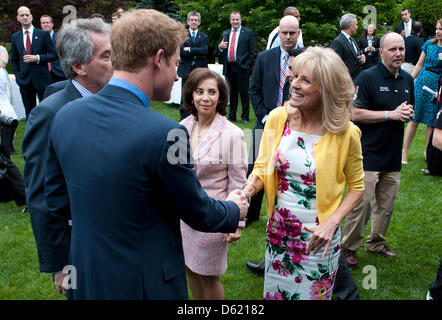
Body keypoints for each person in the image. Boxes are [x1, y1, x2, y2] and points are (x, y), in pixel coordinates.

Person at [43, 9, 248, 300]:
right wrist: (234, 208)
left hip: (86, 276)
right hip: (144, 285)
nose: (178, 75)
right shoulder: (170, 133)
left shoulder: (65, 116)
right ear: (159, 58)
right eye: (176, 64)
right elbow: (197, 210)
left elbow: (56, 203)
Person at [241, 46, 364, 300]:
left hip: (318, 239)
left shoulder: (346, 133)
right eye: (294, 75)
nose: (293, 84)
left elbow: (357, 187)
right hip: (278, 232)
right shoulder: (278, 118)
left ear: (326, 89)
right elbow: (263, 166)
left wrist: (332, 222)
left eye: (305, 80)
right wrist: (246, 192)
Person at [22, 18, 113, 276]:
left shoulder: (116, 102)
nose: (117, 63)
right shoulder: (50, 114)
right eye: (107, 56)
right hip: (79, 248)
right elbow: (41, 196)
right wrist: (60, 265)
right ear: (78, 66)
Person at [341, 32, 415, 267]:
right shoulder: (367, 77)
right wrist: (389, 115)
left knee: (387, 204)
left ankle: (376, 243)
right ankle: (347, 248)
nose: (398, 53)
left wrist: (406, 115)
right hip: (368, 153)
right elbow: (354, 113)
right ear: (381, 51)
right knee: (362, 204)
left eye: (401, 49)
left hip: (392, 154)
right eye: (393, 49)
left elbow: (406, 110)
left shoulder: (407, 79)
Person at [179, 68, 248, 299]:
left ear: (220, 97)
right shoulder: (182, 127)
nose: (205, 98)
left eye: (212, 92)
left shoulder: (233, 134)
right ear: (191, 95)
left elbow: (238, 183)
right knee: (189, 270)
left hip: (214, 216)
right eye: (199, 92)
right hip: (183, 217)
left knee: (209, 276)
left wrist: (236, 222)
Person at [246, 16, 301, 230]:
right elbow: (254, 89)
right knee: (255, 166)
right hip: (266, 121)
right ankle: (250, 213)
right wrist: (264, 116)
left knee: (288, 167)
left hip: (296, 124)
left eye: (292, 33)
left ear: (298, 33)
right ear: (278, 33)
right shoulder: (264, 57)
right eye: (284, 33)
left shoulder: (305, 58)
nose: (288, 37)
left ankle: (285, 215)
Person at [402, 19, 442, 164]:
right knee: (415, 119)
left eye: (440, 29)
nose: (437, 31)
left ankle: (428, 154)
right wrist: (409, 82)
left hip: (437, 87)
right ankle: (404, 152)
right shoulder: (428, 45)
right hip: (422, 83)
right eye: (437, 28)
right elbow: (418, 65)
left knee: (431, 122)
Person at [10, 6, 56, 119]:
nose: (25, 17)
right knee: (30, 113)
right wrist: (18, 76)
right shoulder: (15, 37)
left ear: (31, 16)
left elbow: (53, 55)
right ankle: (32, 135)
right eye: (22, 15)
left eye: (27, 15)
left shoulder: (42, 34)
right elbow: (14, 60)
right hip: (25, 81)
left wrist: (37, 58)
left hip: (42, 79)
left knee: (47, 111)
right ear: (18, 18)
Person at [218, 11, 257, 123]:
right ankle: (232, 116)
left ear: (240, 20)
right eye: (233, 19)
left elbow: (253, 51)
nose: (235, 21)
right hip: (229, 68)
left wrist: (247, 65)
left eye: (237, 19)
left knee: (244, 93)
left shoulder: (248, 33)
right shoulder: (225, 33)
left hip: (242, 68)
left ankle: (245, 117)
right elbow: (220, 52)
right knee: (232, 93)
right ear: (230, 20)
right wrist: (220, 47)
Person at [0, 46, 26, 209]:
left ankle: (24, 195)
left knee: (4, 159)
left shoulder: (2, 70)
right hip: (6, 114)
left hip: (4, 115)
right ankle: (7, 194)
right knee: (4, 158)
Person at [177, 11, 209, 120]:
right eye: (192, 20)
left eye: (196, 20)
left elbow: (204, 51)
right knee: (185, 95)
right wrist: (196, 51)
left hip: (199, 70)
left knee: (199, 93)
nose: (194, 22)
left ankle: (198, 117)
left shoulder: (204, 37)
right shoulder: (182, 35)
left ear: (199, 22)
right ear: (188, 21)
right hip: (186, 69)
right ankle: (184, 119)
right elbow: (181, 52)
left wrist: (189, 49)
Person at [331, 13, 366, 81]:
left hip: (356, 79)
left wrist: (362, 58)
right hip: (345, 82)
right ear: (350, 26)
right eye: (356, 24)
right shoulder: (338, 41)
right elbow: (335, 64)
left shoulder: (352, 40)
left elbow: (356, 56)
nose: (357, 27)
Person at [40, 15, 66, 83]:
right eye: (43, 23)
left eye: (47, 22)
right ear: (41, 25)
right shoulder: (37, 39)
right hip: (43, 74)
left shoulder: (61, 38)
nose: (45, 24)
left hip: (59, 73)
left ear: (52, 24)